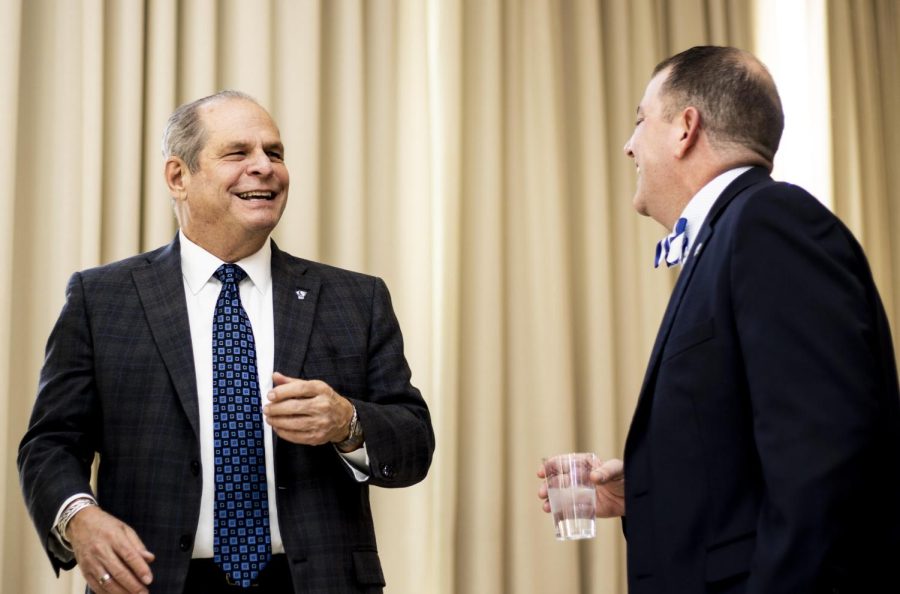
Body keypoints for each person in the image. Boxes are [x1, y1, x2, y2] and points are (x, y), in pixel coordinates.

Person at [18, 90, 435, 594]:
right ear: (179, 177)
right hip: (156, 581)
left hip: (314, 581)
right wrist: (78, 518)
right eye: (238, 153)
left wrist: (347, 422)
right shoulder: (102, 298)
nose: (264, 167)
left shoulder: (354, 298)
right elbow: (51, 443)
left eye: (274, 153)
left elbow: (414, 444)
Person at [539, 46, 900, 593]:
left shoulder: (771, 223)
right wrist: (641, 491)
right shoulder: (730, 237)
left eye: (640, 121)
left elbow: (822, 466)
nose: (628, 145)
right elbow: (749, 458)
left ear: (686, 128)